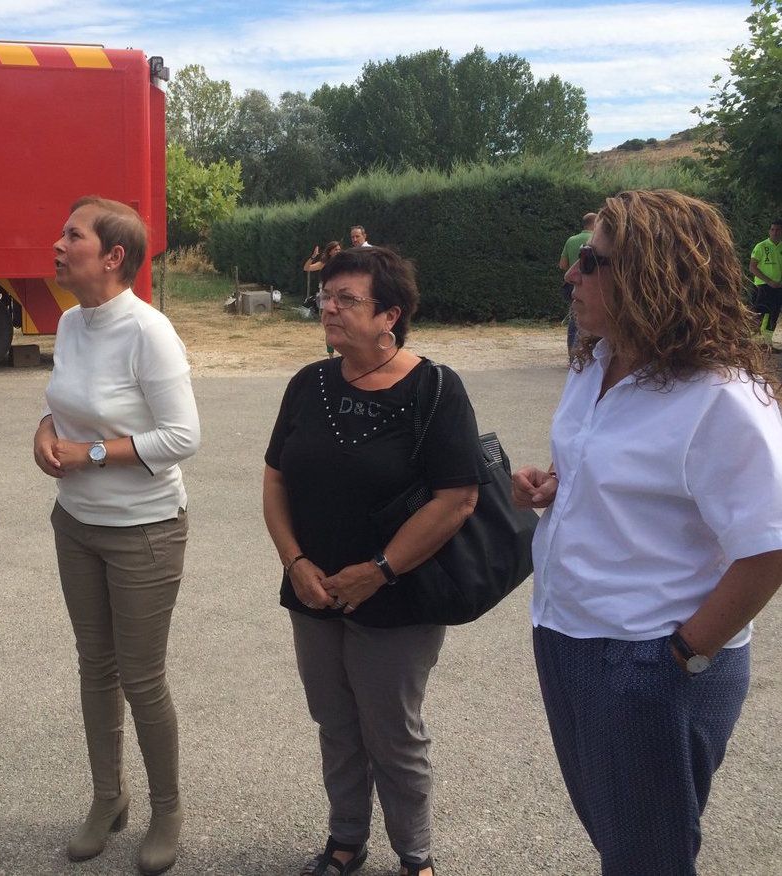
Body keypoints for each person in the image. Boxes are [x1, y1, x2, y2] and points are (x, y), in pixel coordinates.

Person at [512, 190, 782, 875]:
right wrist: (557, 488)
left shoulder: (720, 399)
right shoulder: (598, 364)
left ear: (652, 272)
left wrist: (680, 658)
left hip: (648, 658)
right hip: (566, 634)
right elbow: (624, 485)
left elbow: (769, 546)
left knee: (646, 859)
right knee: (618, 839)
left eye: (590, 262)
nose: (570, 275)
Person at [263, 246, 486, 876]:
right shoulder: (308, 384)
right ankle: (345, 841)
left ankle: (415, 855)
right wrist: (295, 563)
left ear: (390, 314)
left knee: (394, 734)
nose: (327, 309)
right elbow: (274, 480)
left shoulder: (436, 389)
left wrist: (380, 570)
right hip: (311, 590)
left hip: (399, 595)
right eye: (325, 298)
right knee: (335, 724)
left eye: (345, 300)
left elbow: (457, 499)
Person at [34, 196, 201, 875]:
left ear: (112, 257)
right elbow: (61, 402)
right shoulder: (73, 321)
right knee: (93, 666)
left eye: (71, 234)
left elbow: (183, 435)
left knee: (141, 677)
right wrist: (45, 433)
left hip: (145, 532)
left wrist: (93, 455)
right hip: (76, 524)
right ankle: (109, 798)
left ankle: (165, 809)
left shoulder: (148, 331)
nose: (58, 243)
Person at [558, 212, 597, 352]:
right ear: (595, 223)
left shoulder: (571, 240)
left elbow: (562, 265)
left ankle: (572, 351)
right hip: (592, 285)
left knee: (574, 316)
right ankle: (585, 350)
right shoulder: (597, 240)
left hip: (571, 285)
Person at [304, 241, 343, 356]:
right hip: (327, 293)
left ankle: (343, 352)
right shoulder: (323, 263)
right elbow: (307, 268)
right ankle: (330, 354)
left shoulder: (343, 262)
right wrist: (313, 257)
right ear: (330, 251)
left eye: (339, 249)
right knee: (329, 325)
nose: (338, 251)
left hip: (339, 293)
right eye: (336, 250)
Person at [749, 219, 782, 350]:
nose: (775, 232)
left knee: (774, 314)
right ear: (769, 231)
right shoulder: (761, 246)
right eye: (772, 229)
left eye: (778, 230)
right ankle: (752, 343)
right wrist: (769, 281)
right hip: (763, 286)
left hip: (778, 287)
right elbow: (752, 267)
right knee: (759, 313)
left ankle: (767, 344)